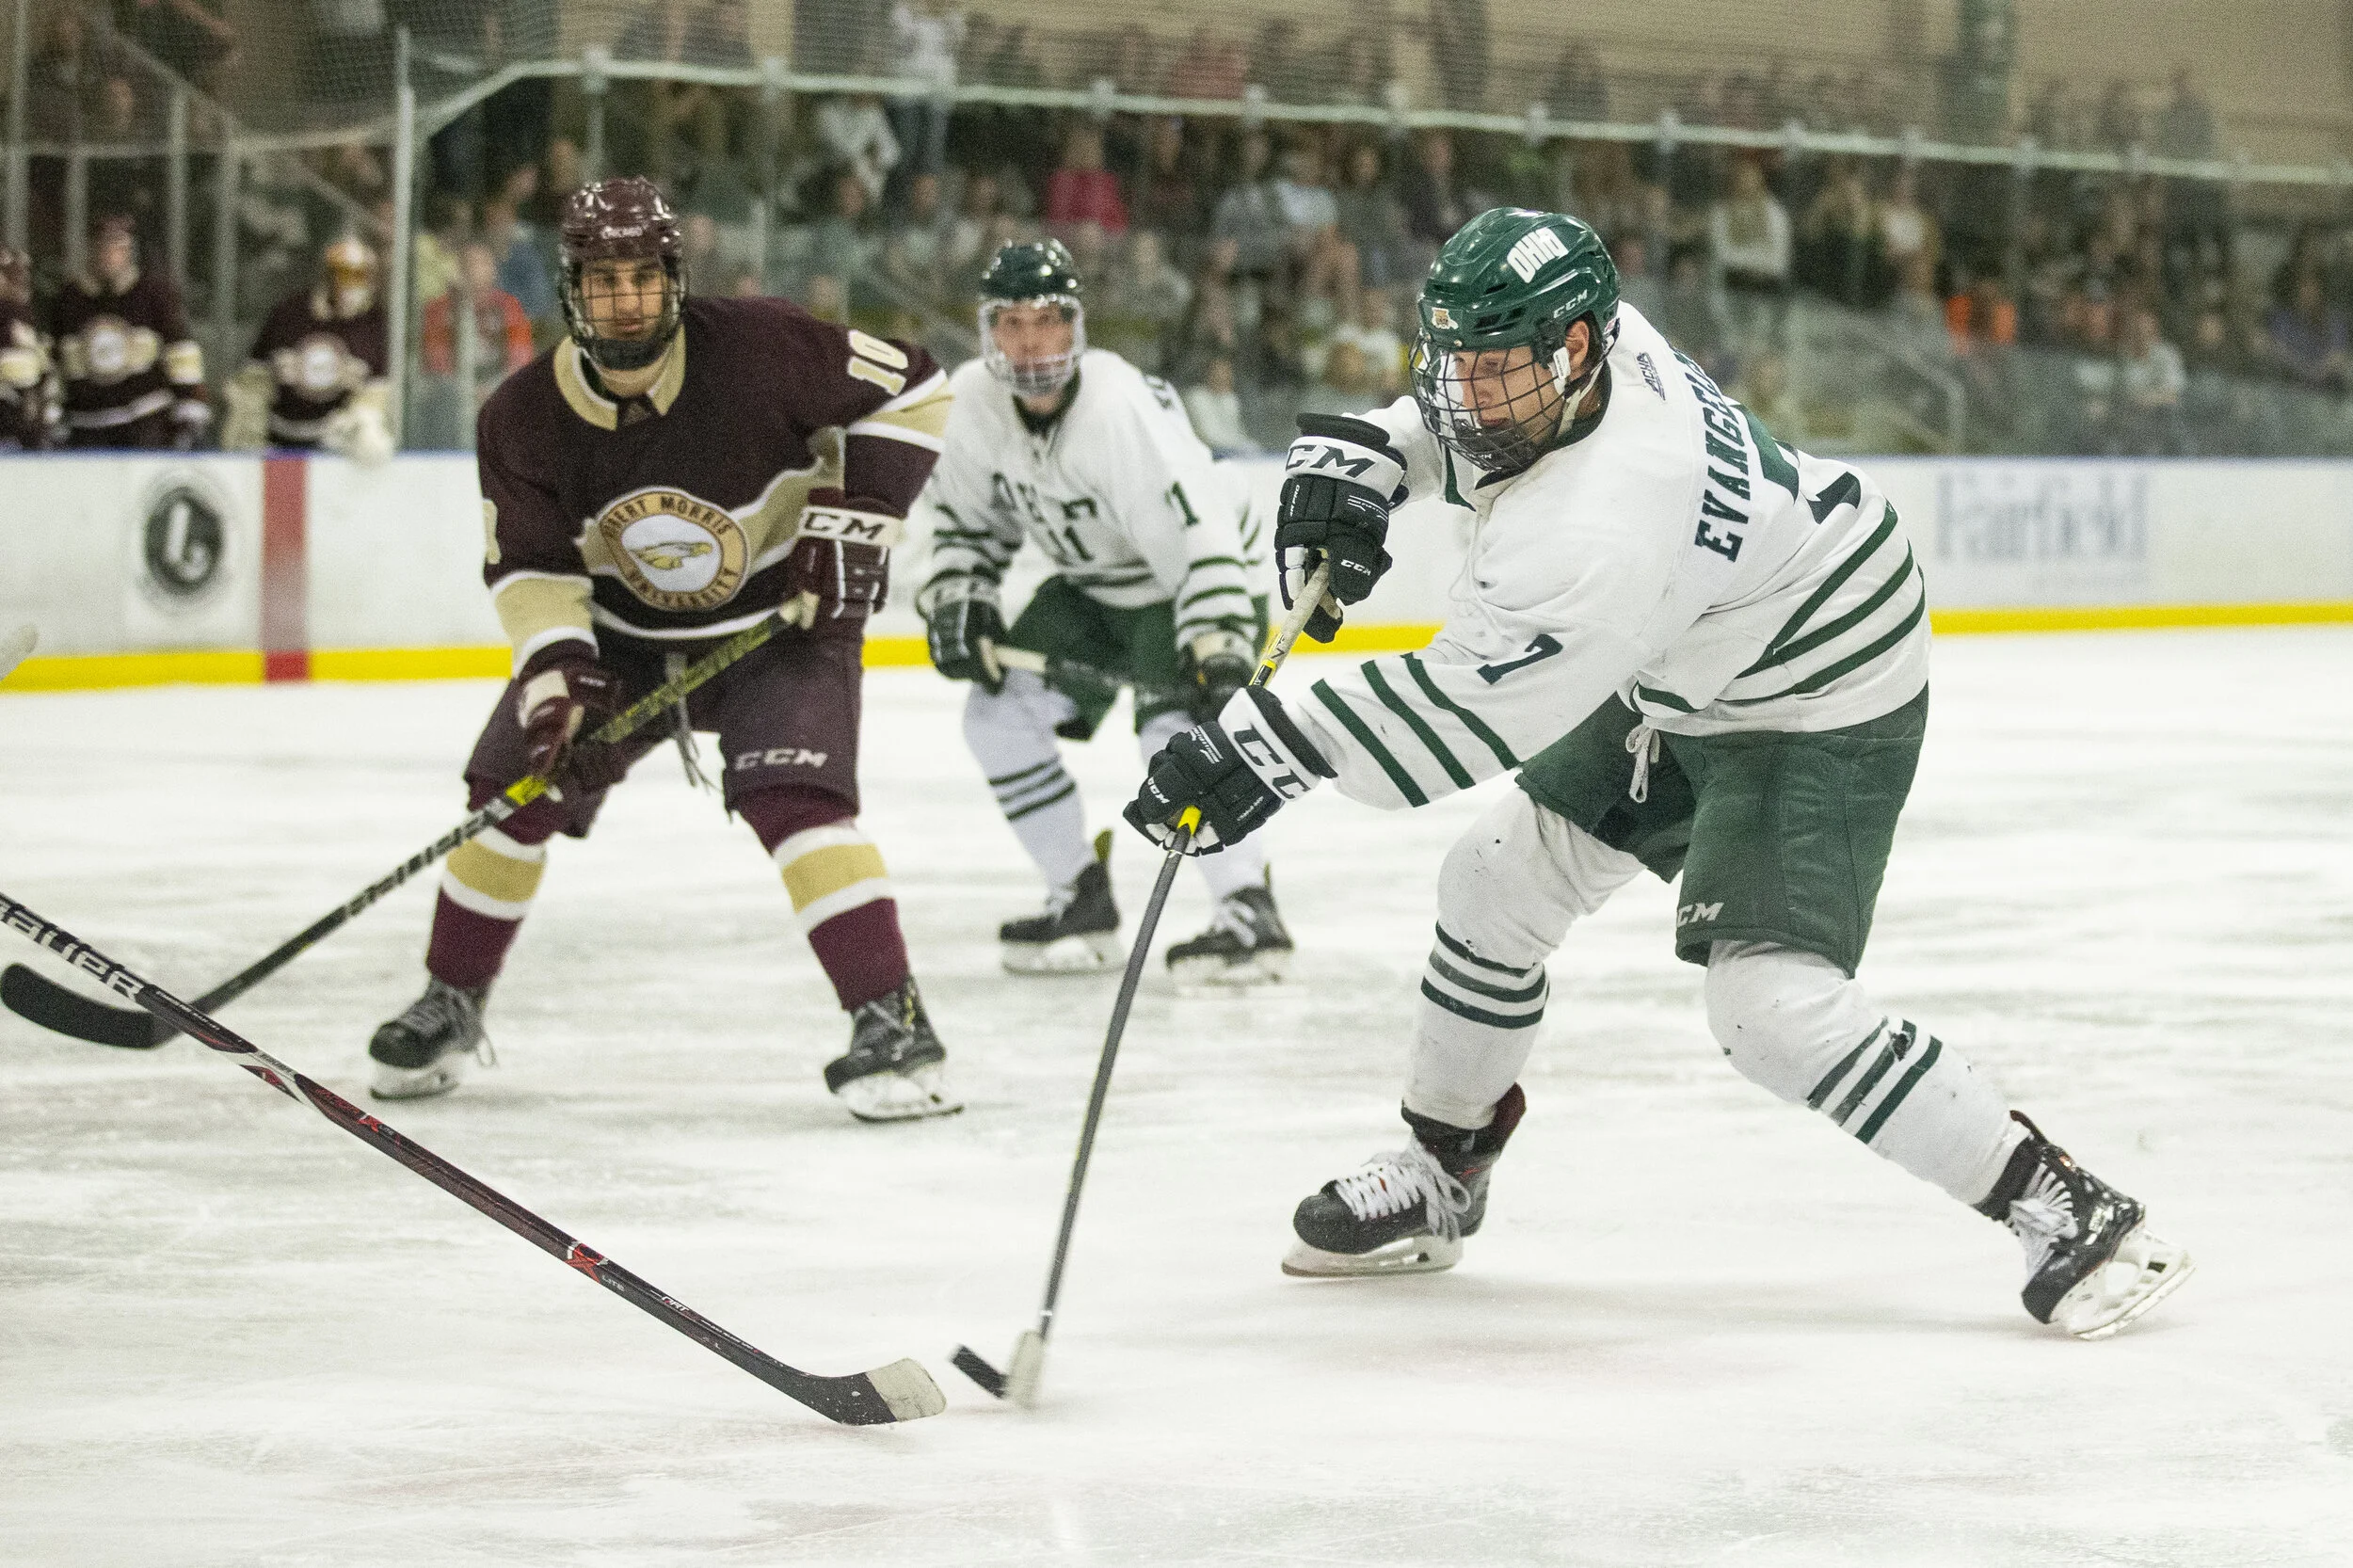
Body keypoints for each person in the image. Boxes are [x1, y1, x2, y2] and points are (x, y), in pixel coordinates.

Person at [1124, 207, 2194, 1340]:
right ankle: (1444, 1170)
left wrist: (1261, 748)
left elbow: (1453, 718)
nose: (1464, 398)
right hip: (1691, 648)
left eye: (1495, 374)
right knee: (1494, 880)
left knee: (1768, 1009)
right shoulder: (1594, 348)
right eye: (1451, 368)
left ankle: (2064, 1202)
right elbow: (1475, 431)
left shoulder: (1602, 522)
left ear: (1575, 349)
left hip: (1816, 684)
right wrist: (1382, 451)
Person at [365, 177, 961, 1124]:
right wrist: (559, 676)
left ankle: (894, 1021)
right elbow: (527, 568)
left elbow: (919, 388)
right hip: (622, 644)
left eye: (641, 278)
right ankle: (450, 999)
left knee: (794, 801)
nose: (625, 301)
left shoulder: (762, 347)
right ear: (572, 292)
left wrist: (858, 522)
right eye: (603, 284)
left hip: (783, 620)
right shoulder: (519, 416)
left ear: (674, 279)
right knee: (506, 796)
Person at [914, 240, 1289, 984]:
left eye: (1047, 321)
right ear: (988, 330)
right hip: (1093, 587)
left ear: (1075, 326)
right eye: (1011, 323)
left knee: (1174, 739)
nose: (1029, 342)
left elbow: (1202, 527)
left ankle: (1249, 908)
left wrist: (1215, 641)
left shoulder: (1118, 409)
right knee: (996, 716)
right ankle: (1079, 897)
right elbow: (964, 523)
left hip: (1194, 581)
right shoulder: (972, 405)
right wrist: (961, 597)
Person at [222, 235, 392, 460]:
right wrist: (249, 432)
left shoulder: (375, 324)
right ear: (328, 276)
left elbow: (376, 391)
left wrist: (363, 421)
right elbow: (254, 380)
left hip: (336, 451)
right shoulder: (289, 314)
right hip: (276, 443)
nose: (354, 286)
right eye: (346, 275)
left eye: (362, 277)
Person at [48, 214, 209, 449]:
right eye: (104, 247)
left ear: (130, 252)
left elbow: (181, 352)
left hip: (144, 422)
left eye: (119, 248)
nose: (110, 256)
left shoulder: (154, 293)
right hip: (86, 427)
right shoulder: (68, 300)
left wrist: (189, 405)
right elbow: (55, 361)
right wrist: (51, 412)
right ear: (91, 250)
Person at [0, 244, 57, 450]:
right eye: (10, 275)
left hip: (25, 436)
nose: (19, 282)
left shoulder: (28, 317)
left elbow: (42, 380)